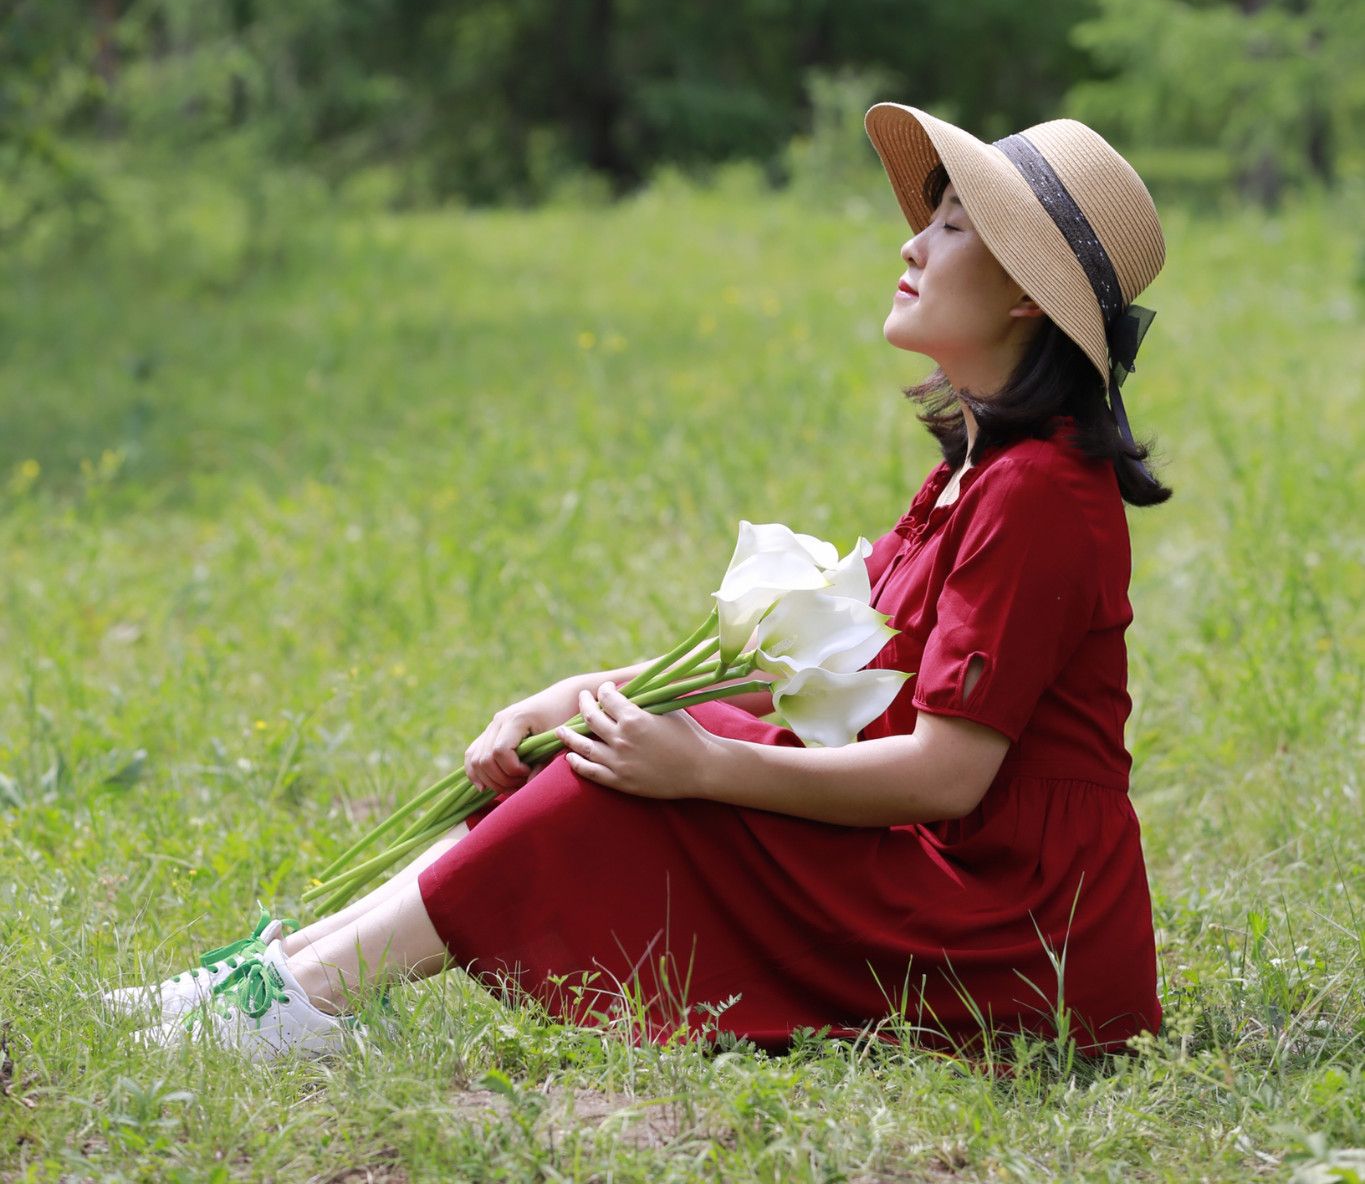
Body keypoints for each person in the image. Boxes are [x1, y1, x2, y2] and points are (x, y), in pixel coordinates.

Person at [117, 104, 1169, 1065]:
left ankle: (297, 1002)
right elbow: (832, 664)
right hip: (961, 875)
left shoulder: (1039, 493)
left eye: (950, 226)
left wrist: (703, 764)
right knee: (606, 736)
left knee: (619, 773)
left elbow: (947, 773)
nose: (910, 242)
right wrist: (578, 690)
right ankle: (279, 974)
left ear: (1027, 290)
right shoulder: (979, 468)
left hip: (1019, 932)